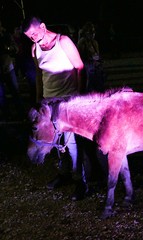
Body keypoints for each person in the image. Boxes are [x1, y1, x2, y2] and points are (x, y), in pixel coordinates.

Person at [22, 16, 88, 201]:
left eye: (34, 33)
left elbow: (80, 67)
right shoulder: (35, 48)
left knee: (72, 144)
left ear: (43, 26)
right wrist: (38, 101)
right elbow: (39, 76)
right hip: (48, 104)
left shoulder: (63, 42)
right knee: (56, 143)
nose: (33, 38)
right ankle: (64, 174)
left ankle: (81, 181)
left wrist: (79, 96)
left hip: (67, 103)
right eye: (29, 36)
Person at [0, 20, 26, 121]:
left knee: (15, 92)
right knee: (1, 95)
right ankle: (6, 115)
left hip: (7, 68)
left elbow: (16, 48)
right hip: (5, 68)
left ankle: (21, 114)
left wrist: (7, 48)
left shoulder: (5, 35)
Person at [77, 21, 105, 93]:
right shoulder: (82, 42)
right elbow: (81, 56)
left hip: (94, 63)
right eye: (90, 32)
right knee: (90, 71)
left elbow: (97, 54)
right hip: (86, 64)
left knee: (100, 72)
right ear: (86, 33)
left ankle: (99, 90)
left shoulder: (94, 42)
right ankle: (89, 91)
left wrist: (98, 60)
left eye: (93, 32)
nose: (93, 34)